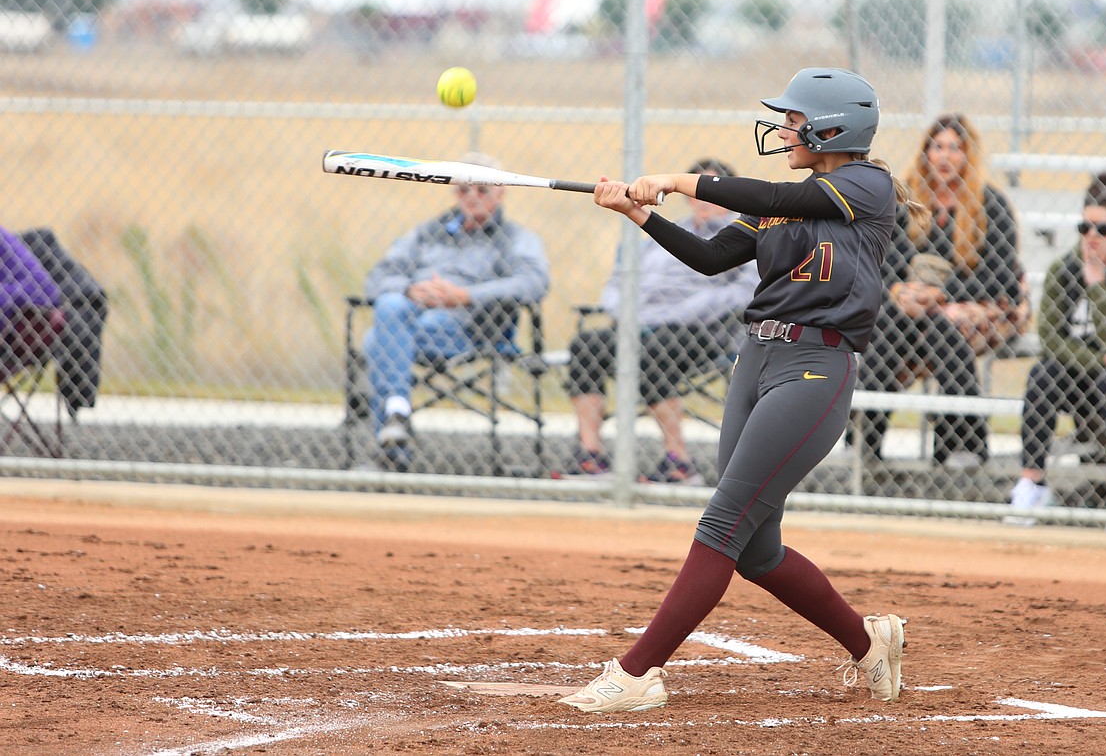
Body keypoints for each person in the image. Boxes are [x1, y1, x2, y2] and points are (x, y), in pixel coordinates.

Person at [558, 67, 925, 714]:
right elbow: (709, 257)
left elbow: (766, 193)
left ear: (833, 128)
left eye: (794, 119)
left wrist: (677, 180)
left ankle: (638, 672)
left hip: (815, 368)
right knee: (756, 550)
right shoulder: (783, 200)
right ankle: (868, 641)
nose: (784, 129)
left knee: (723, 522)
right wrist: (638, 212)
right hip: (755, 359)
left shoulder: (866, 187)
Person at [563, 157, 757, 485]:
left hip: (700, 331)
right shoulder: (669, 232)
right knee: (586, 345)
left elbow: (746, 290)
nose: (702, 201)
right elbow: (621, 279)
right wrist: (621, 311)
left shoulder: (743, 231)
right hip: (638, 324)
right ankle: (591, 456)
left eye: (711, 192)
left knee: (654, 349)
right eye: (696, 192)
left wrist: (681, 311)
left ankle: (677, 461)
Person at [858, 113, 1029, 469]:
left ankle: (963, 444)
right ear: (926, 153)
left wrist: (944, 294)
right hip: (912, 307)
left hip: (982, 305)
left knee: (942, 327)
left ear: (968, 156)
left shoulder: (989, 205)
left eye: (955, 148)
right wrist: (898, 290)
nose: (945, 156)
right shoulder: (903, 199)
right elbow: (880, 259)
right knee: (889, 321)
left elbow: (1002, 278)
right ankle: (866, 444)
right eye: (937, 147)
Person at [362, 152, 550, 470]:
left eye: (482, 190)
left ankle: (393, 444)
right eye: (464, 189)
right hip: (410, 314)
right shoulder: (428, 231)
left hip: (468, 328)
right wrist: (411, 288)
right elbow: (379, 277)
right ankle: (397, 413)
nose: (472, 197)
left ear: (501, 193)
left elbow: (533, 283)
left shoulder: (514, 239)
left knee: (375, 341)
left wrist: (465, 295)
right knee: (391, 303)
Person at [1009, 171, 1106, 529]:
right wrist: (1096, 359)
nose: (1091, 237)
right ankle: (1032, 483)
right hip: (1084, 376)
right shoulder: (1063, 269)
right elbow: (1050, 338)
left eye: (1103, 230)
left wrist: (1097, 284)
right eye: (1085, 228)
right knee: (1043, 373)